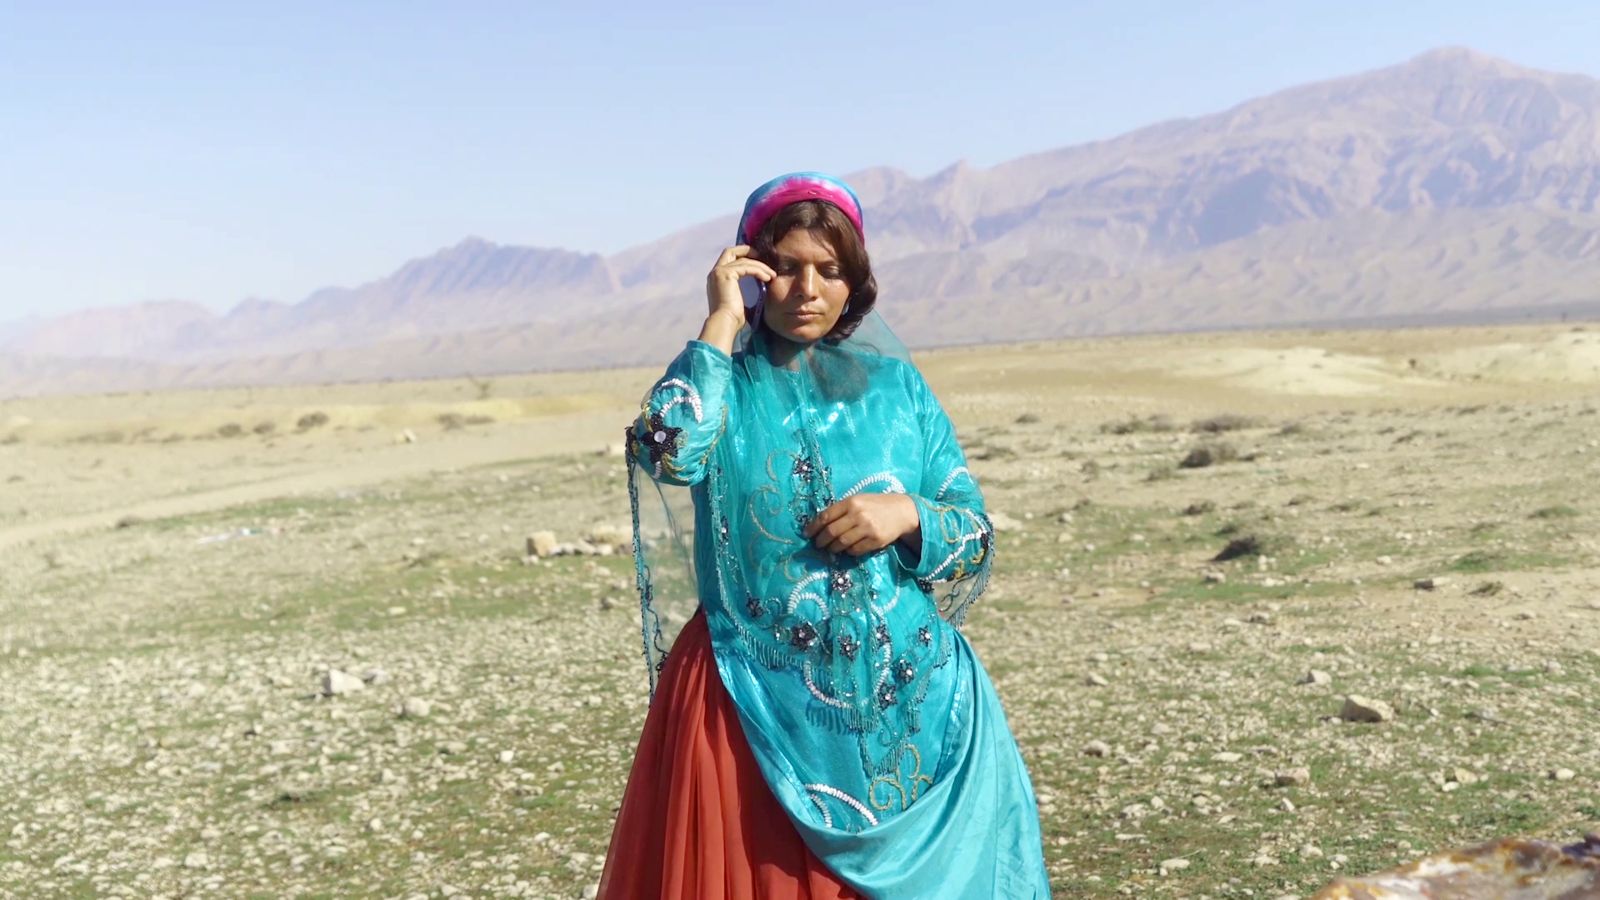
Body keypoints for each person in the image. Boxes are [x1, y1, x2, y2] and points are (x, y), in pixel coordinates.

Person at [599, 173, 1050, 898]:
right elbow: (667, 447)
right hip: (750, 707)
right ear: (751, 274)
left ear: (855, 285)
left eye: (831, 271)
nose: (807, 288)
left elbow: (975, 537)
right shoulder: (723, 386)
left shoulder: (899, 391)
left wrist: (908, 515)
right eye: (785, 267)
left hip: (917, 708)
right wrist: (718, 323)